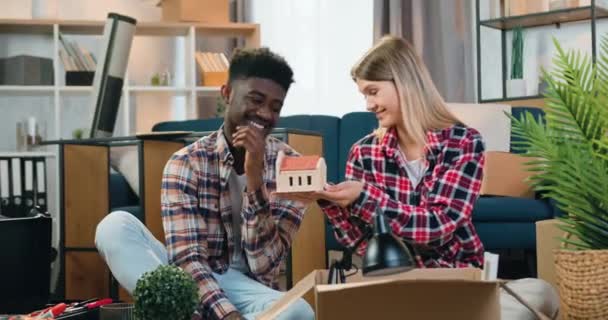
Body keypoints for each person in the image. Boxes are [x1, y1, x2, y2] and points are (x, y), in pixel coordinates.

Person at [278, 35, 559, 319]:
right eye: (364, 94)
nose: (368, 104)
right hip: (395, 284)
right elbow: (363, 244)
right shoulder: (364, 152)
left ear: (404, 83)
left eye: (373, 91)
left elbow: (438, 225)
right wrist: (332, 203)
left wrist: (365, 198)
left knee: (540, 292)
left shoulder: (463, 143)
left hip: (457, 279)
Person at [95, 47, 315, 320]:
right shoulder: (186, 162)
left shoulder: (290, 165)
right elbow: (188, 260)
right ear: (227, 94)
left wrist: (255, 180)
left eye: (275, 107)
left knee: (300, 311)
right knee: (114, 227)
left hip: (251, 291)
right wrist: (228, 316)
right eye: (256, 100)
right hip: (191, 285)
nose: (265, 114)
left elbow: (265, 267)